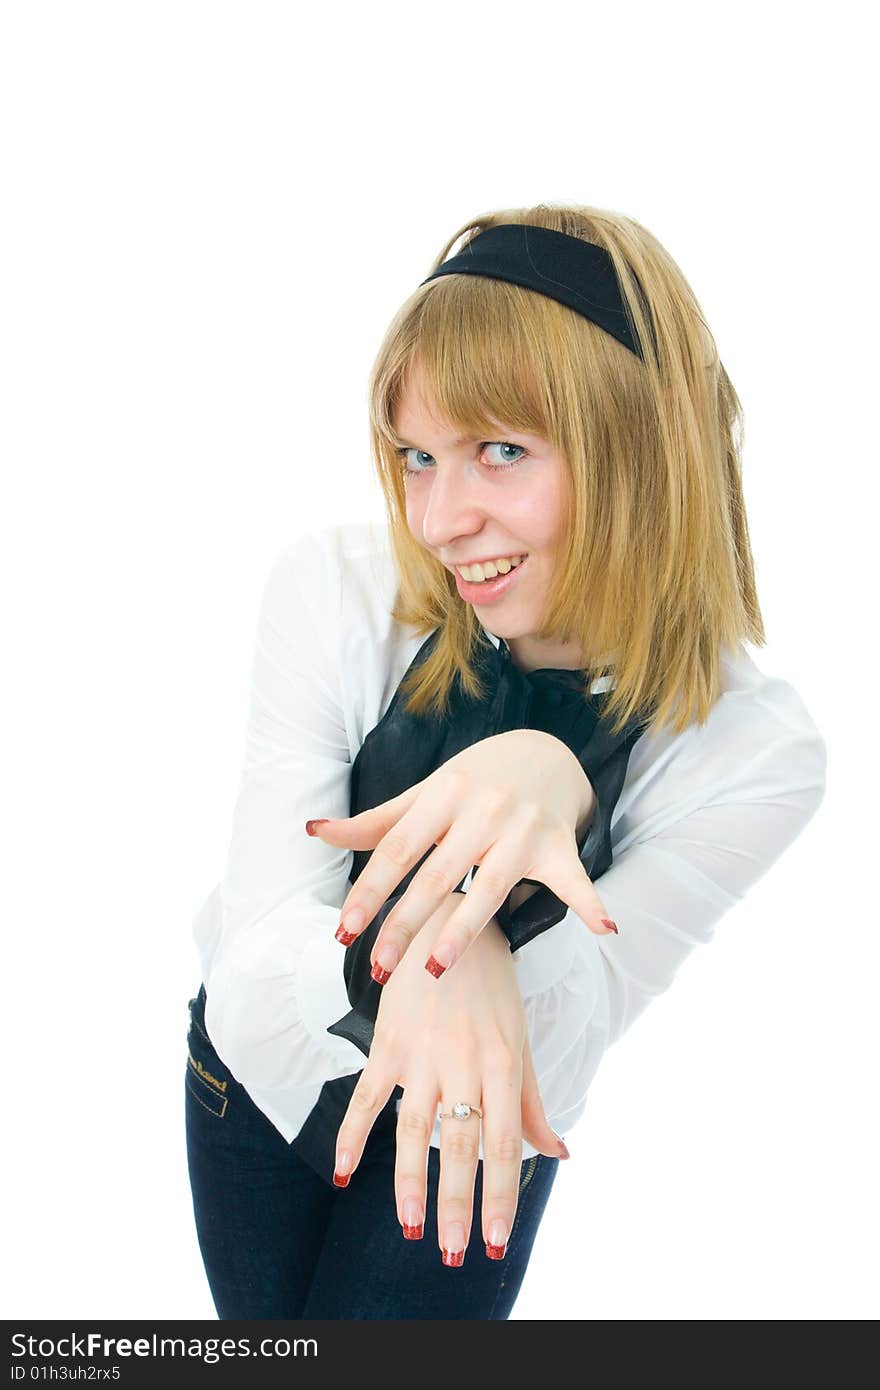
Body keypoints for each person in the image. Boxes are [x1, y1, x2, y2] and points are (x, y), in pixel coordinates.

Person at [184, 204, 827, 1320]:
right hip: (260, 1088)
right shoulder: (337, 592)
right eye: (417, 456)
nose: (439, 516)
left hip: (469, 1138)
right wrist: (463, 937)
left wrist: (551, 774)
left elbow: (570, 1023)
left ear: (641, 446)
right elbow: (253, 966)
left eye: (502, 450)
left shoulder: (753, 752)